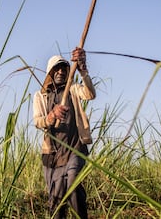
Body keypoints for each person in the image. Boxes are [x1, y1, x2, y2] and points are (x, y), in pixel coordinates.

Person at [33, 47, 96, 218]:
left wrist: (82, 69)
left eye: (64, 68)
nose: (60, 71)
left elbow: (90, 94)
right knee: (56, 197)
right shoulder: (40, 96)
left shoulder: (73, 89)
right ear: (50, 72)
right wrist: (51, 116)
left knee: (73, 182)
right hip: (53, 153)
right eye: (57, 68)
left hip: (75, 148)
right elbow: (38, 121)